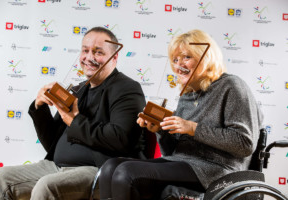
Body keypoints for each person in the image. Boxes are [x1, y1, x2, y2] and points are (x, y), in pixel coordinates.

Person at [98, 29, 263, 200]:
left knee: (127, 172)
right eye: (175, 60)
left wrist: (193, 128)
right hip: (183, 163)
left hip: (218, 171)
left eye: (186, 57)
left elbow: (245, 144)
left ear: (205, 57)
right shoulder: (187, 94)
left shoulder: (232, 86)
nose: (178, 65)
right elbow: (172, 152)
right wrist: (161, 131)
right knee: (110, 167)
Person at [0, 27, 146, 200]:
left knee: (46, 186)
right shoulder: (79, 90)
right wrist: (40, 108)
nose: (89, 57)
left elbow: (120, 138)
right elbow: (52, 143)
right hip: (56, 167)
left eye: (98, 52)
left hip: (100, 169)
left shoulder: (127, 89)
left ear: (114, 57)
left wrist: (74, 120)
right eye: (85, 50)